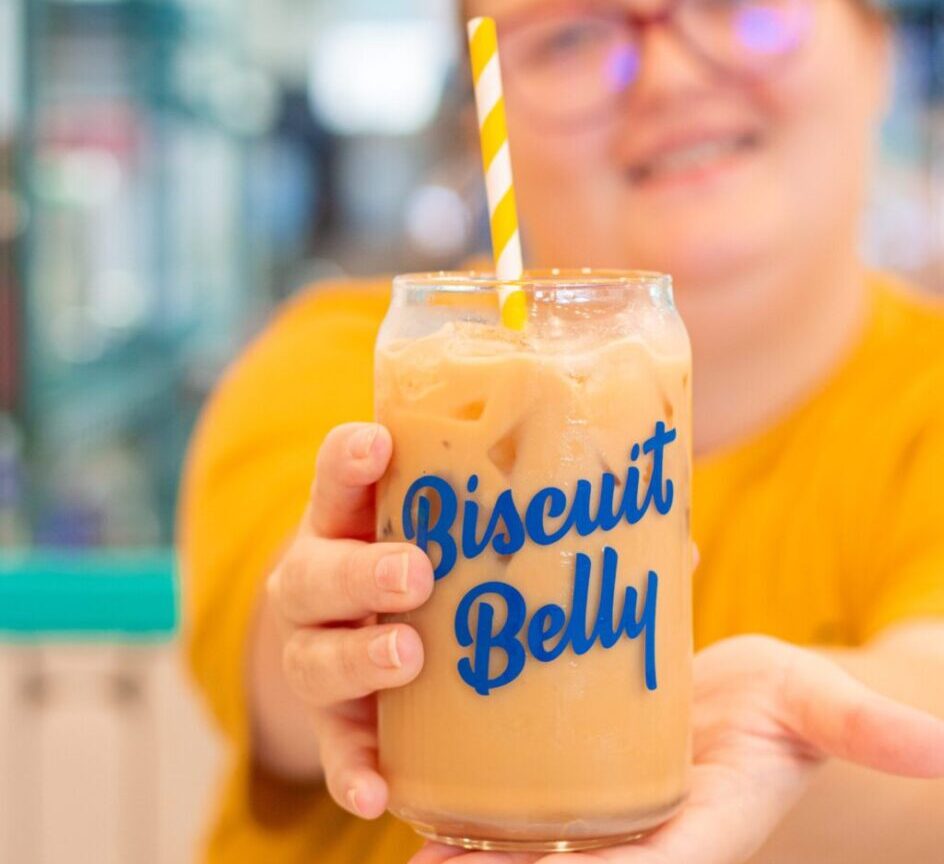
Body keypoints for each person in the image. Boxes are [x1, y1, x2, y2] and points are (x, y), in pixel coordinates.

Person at [179, 0, 944, 862]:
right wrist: (335, 643)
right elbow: (278, 651)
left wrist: (773, 743)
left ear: (878, 45)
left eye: (738, 6)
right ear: (484, 113)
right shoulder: (347, 364)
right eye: (571, 36)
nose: (668, 76)